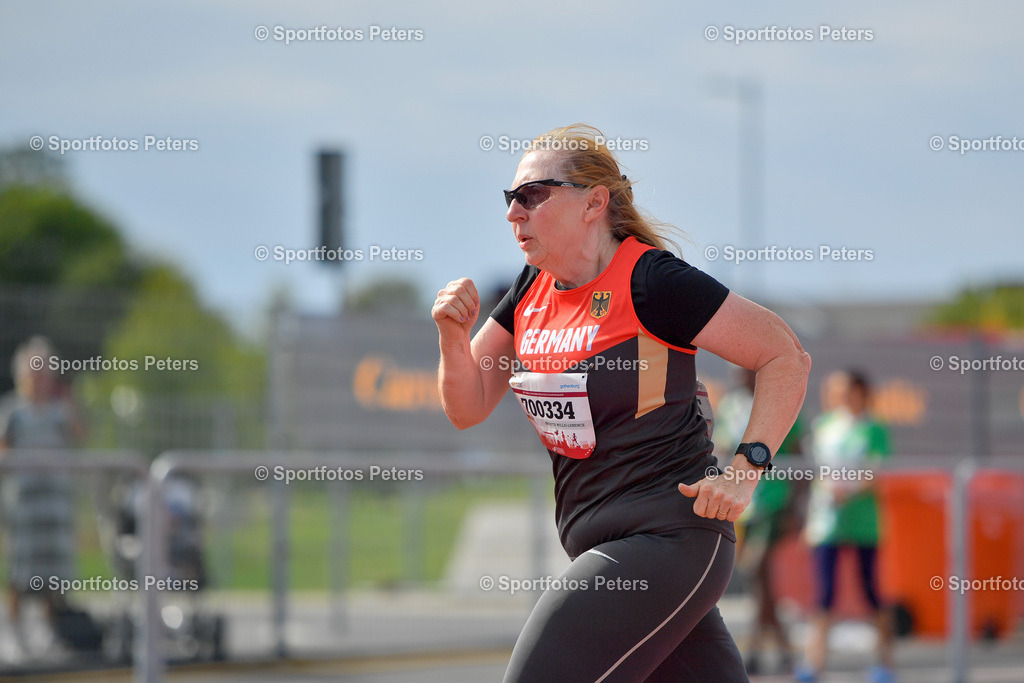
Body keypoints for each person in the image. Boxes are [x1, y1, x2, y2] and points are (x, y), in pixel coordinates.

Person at [432, 124, 811, 681]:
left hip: (668, 538)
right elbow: (466, 406)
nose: (515, 213)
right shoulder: (531, 289)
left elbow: (784, 356)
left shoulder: (651, 281)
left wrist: (746, 468)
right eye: (510, 199)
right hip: (602, 542)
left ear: (593, 202)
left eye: (532, 195)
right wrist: (450, 335)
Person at [796, 370, 894, 683]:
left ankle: (886, 662)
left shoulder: (874, 429)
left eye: (845, 390)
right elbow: (814, 471)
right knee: (824, 593)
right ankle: (814, 663)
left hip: (863, 521)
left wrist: (847, 491)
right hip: (827, 522)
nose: (838, 396)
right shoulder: (823, 426)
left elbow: (875, 473)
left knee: (871, 592)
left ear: (860, 392)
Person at [716, 367, 806, 675]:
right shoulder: (731, 405)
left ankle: (754, 648)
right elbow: (724, 448)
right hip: (745, 502)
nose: (738, 374)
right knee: (761, 579)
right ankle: (783, 649)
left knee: (755, 569)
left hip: (774, 499)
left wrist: (797, 506)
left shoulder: (780, 402)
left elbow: (799, 458)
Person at [0, 336, 83, 656]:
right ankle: (13, 631)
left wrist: (69, 399)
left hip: (56, 505)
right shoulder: (12, 412)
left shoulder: (61, 411)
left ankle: (52, 630)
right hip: (24, 506)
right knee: (21, 572)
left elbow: (79, 434)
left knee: (55, 574)